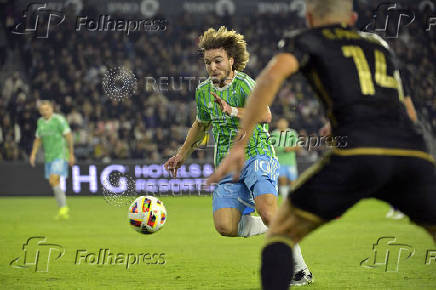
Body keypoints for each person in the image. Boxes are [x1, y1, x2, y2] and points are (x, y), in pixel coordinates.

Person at [206, 1, 436, 289]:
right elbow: (408, 109)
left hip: (359, 153)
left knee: (282, 229)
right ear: (352, 18)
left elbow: (271, 78)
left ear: (310, 18)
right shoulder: (379, 44)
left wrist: (239, 143)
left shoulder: (306, 40)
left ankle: (293, 276)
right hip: (411, 153)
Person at [164, 26, 312, 285]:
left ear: (231, 60)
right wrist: (181, 153)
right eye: (208, 62)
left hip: (257, 154)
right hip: (226, 163)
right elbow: (201, 124)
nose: (212, 67)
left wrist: (233, 110)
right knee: (225, 227)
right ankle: (280, 225)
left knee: (266, 210)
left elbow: (265, 115)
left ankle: (300, 270)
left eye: (218, 60)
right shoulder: (202, 91)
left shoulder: (245, 83)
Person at [30, 100, 75, 220]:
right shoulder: (40, 122)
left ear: (52, 109)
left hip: (60, 154)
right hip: (48, 157)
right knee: (55, 182)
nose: (45, 112)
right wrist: (33, 154)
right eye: (42, 110)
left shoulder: (59, 120)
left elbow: (69, 135)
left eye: (47, 109)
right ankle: (63, 209)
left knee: (53, 179)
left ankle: (64, 208)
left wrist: (71, 154)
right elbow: (38, 139)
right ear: (40, 111)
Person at [271, 118, 300, 198]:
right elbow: (273, 148)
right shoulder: (274, 134)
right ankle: (285, 198)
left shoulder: (292, 133)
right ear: (277, 124)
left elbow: (298, 146)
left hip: (291, 162)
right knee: (282, 180)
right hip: (279, 162)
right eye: (280, 122)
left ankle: (294, 198)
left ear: (287, 124)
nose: (282, 124)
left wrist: (290, 148)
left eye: (283, 122)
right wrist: (283, 149)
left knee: (293, 181)